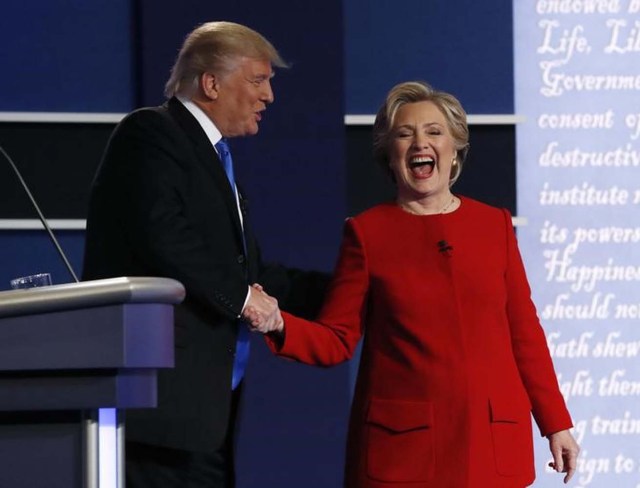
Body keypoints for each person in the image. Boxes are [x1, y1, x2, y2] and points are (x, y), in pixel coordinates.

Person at [244, 81, 580, 487]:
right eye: (405, 134)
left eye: (434, 132)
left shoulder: (494, 225)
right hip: (405, 452)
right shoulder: (367, 233)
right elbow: (338, 339)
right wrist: (280, 323)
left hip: (490, 444)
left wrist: (555, 424)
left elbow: (524, 334)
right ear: (390, 153)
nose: (420, 142)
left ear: (455, 148)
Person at [82, 21, 326, 488]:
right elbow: (163, 235)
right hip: (160, 417)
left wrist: (358, 290)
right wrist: (242, 298)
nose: (269, 96)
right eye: (258, 80)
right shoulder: (152, 133)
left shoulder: (215, 160)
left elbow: (255, 275)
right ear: (211, 83)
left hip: (205, 419)